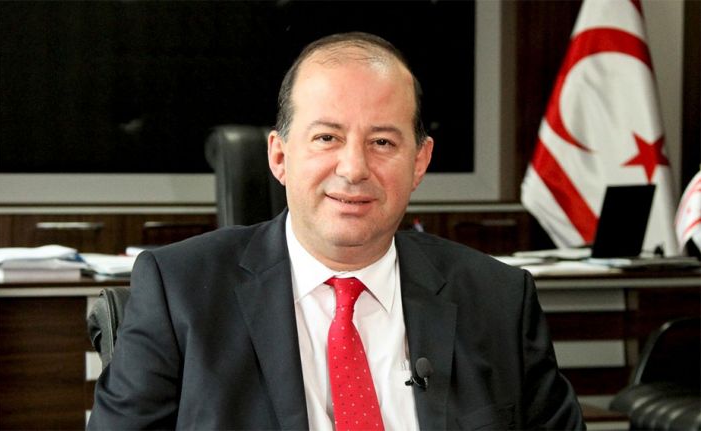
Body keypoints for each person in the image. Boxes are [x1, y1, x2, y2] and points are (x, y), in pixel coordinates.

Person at [88, 32, 584, 430]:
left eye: (382, 142)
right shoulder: (180, 291)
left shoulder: (500, 300)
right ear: (279, 156)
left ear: (419, 162)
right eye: (327, 137)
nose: (354, 168)